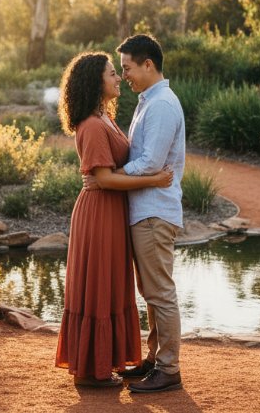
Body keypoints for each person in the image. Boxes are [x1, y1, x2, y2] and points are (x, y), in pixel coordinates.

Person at [54, 51, 174, 388]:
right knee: (98, 286)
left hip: (112, 211)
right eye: (112, 73)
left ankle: (104, 361)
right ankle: (92, 371)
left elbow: (109, 172)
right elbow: (104, 179)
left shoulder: (103, 117)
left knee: (109, 285)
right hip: (99, 213)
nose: (118, 78)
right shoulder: (92, 125)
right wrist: (153, 180)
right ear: (96, 82)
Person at [86, 34, 187, 394]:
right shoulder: (149, 101)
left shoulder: (160, 105)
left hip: (154, 212)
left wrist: (109, 178)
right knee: (152, 291)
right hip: (145, 210)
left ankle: (169, 368)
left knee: (160, 292)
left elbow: (151, 163)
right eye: (120, 70)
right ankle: (155, 359)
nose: (124, 75)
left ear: (148, 64)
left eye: (127, 68)